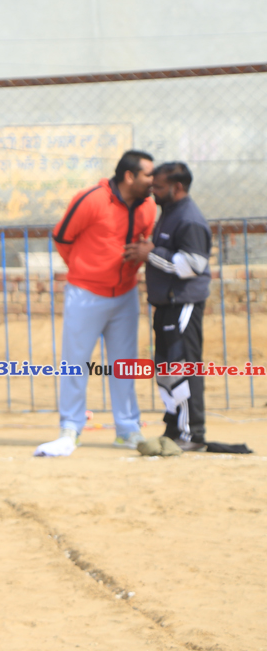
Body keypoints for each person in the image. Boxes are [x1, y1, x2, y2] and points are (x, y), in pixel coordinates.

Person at [41, 150, 157, 456]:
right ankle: (71, 427)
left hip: (125, 295)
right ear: (129, 176)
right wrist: (85, 270)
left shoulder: (148, 206)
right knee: (75, 363)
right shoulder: (91, 199)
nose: (153, 180)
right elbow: (62, 237)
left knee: (125, 364)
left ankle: (128, 429)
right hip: (86, 294)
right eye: (148, 175)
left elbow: (144, 241)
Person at [126, 162, 211, 452]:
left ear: (177, 187)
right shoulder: (169, 213)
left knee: (183, 367)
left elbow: (193, 265)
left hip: (183, 304)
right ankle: (174, 429)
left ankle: (192, 434)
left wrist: (151, 253)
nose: (153, 191)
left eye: (159, 187)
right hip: (166, 304)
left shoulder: (189, 218)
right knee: (166, 370)